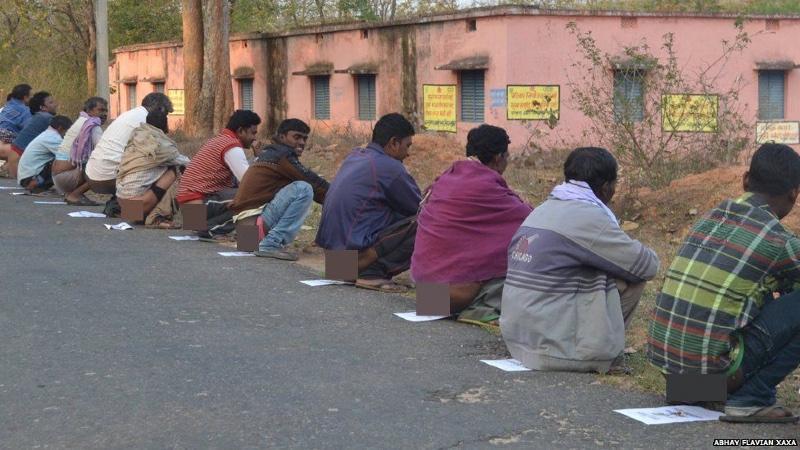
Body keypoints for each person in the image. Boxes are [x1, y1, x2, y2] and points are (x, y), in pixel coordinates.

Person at [647, 143, 800, 424]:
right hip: (715, 380)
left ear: (745, 180)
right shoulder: (780, 240)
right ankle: (752, 397)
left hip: (675, 383)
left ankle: (713, 391)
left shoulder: (710, 218)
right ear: (793, 194)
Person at [500, 147, 659, 374]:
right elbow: (647, 266)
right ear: (606, 188)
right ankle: (601, 354)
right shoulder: (589, 216)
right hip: (551, 353)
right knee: (628, 277)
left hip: (516, 342)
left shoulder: (545, 207)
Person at [411, 125, 532, 321]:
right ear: (498, 158)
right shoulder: (485, 185)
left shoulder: (446, 177)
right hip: (454, 297)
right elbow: (530, 220)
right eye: (507, 157)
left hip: (424, 297)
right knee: (528, 251)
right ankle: (480, 310)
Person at [316, 113, 421, 293]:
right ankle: (371, 273)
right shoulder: (390, 167)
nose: (408, 153)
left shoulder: (356, 156)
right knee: (429, 222)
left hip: (333, 262)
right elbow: (420, 208)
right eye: (407, 146)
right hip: (351, 261)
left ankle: (363, 268)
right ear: (394, 143)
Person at [229, 118, 329, 260]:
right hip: (251, 229)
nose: (302, 142)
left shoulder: (271, 153)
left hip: (245, 234)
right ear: (282, 137)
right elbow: (312, 181)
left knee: (308, 188)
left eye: (304, 138)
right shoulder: (282, 155)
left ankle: (269, 242)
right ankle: (270, 244)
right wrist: (337, 195)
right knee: (304, 188)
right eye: (297, 137)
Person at [177, 110, 261, 238]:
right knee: (255, 197)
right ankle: (241, 237)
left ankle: (209, 228)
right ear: (240, 131)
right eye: (253, 133)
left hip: (190, 211)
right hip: (195, 208)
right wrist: (260, 159)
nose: (255, 138)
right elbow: (249, 183)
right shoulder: (231, 146)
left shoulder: (220, 140)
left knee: (245, 193)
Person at [85, 92, 173, 195]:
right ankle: (144, 208)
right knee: (171, 170)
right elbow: (163, 154)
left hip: (91, 175)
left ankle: (121, 204)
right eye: (166, 114)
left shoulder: (130, 114)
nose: (166, 119)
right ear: (161, 109)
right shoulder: (148, 121)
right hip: (109, 179)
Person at [116, 110, 189, 228]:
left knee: (163, 169)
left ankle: (150, 215)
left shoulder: (137, 137)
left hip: (123, 206)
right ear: (166, 125)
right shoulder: (161, 145)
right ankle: (158, 217)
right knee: (179, 169)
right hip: (137, 207)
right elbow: (187, 163)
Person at [52, 97, 108, 206]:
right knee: (103, 169)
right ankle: (75, 195)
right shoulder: (92, 125)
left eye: (106, 111)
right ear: (89, 111)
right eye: (100, 110)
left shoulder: (82, 120)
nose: (104, 114)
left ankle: (73, 194)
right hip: (66, 177)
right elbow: (103, 150)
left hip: (59, 177)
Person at [1, 91, 58, 178]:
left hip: (14, 161)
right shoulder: (46, 118)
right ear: (42, 107)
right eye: (51, 102)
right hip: (20, 166)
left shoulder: (37, 117)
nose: (55, 104)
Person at [16, 115, 73, 192]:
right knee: (64, 161)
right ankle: (34, 183)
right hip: (29, 178)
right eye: (67, 131)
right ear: (60, 128)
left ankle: (38, 183)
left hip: (26, 176)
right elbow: (68, 155)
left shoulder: (48, 134)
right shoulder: (53, 138)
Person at [0, 85, 33, 178]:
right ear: (25, 97)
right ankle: (7, 168)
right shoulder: (26, 111)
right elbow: (28, 131)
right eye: (31, 96)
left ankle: (6, 167)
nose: (32, 98)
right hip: (7, 139)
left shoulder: (8, 105)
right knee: (30, 145)